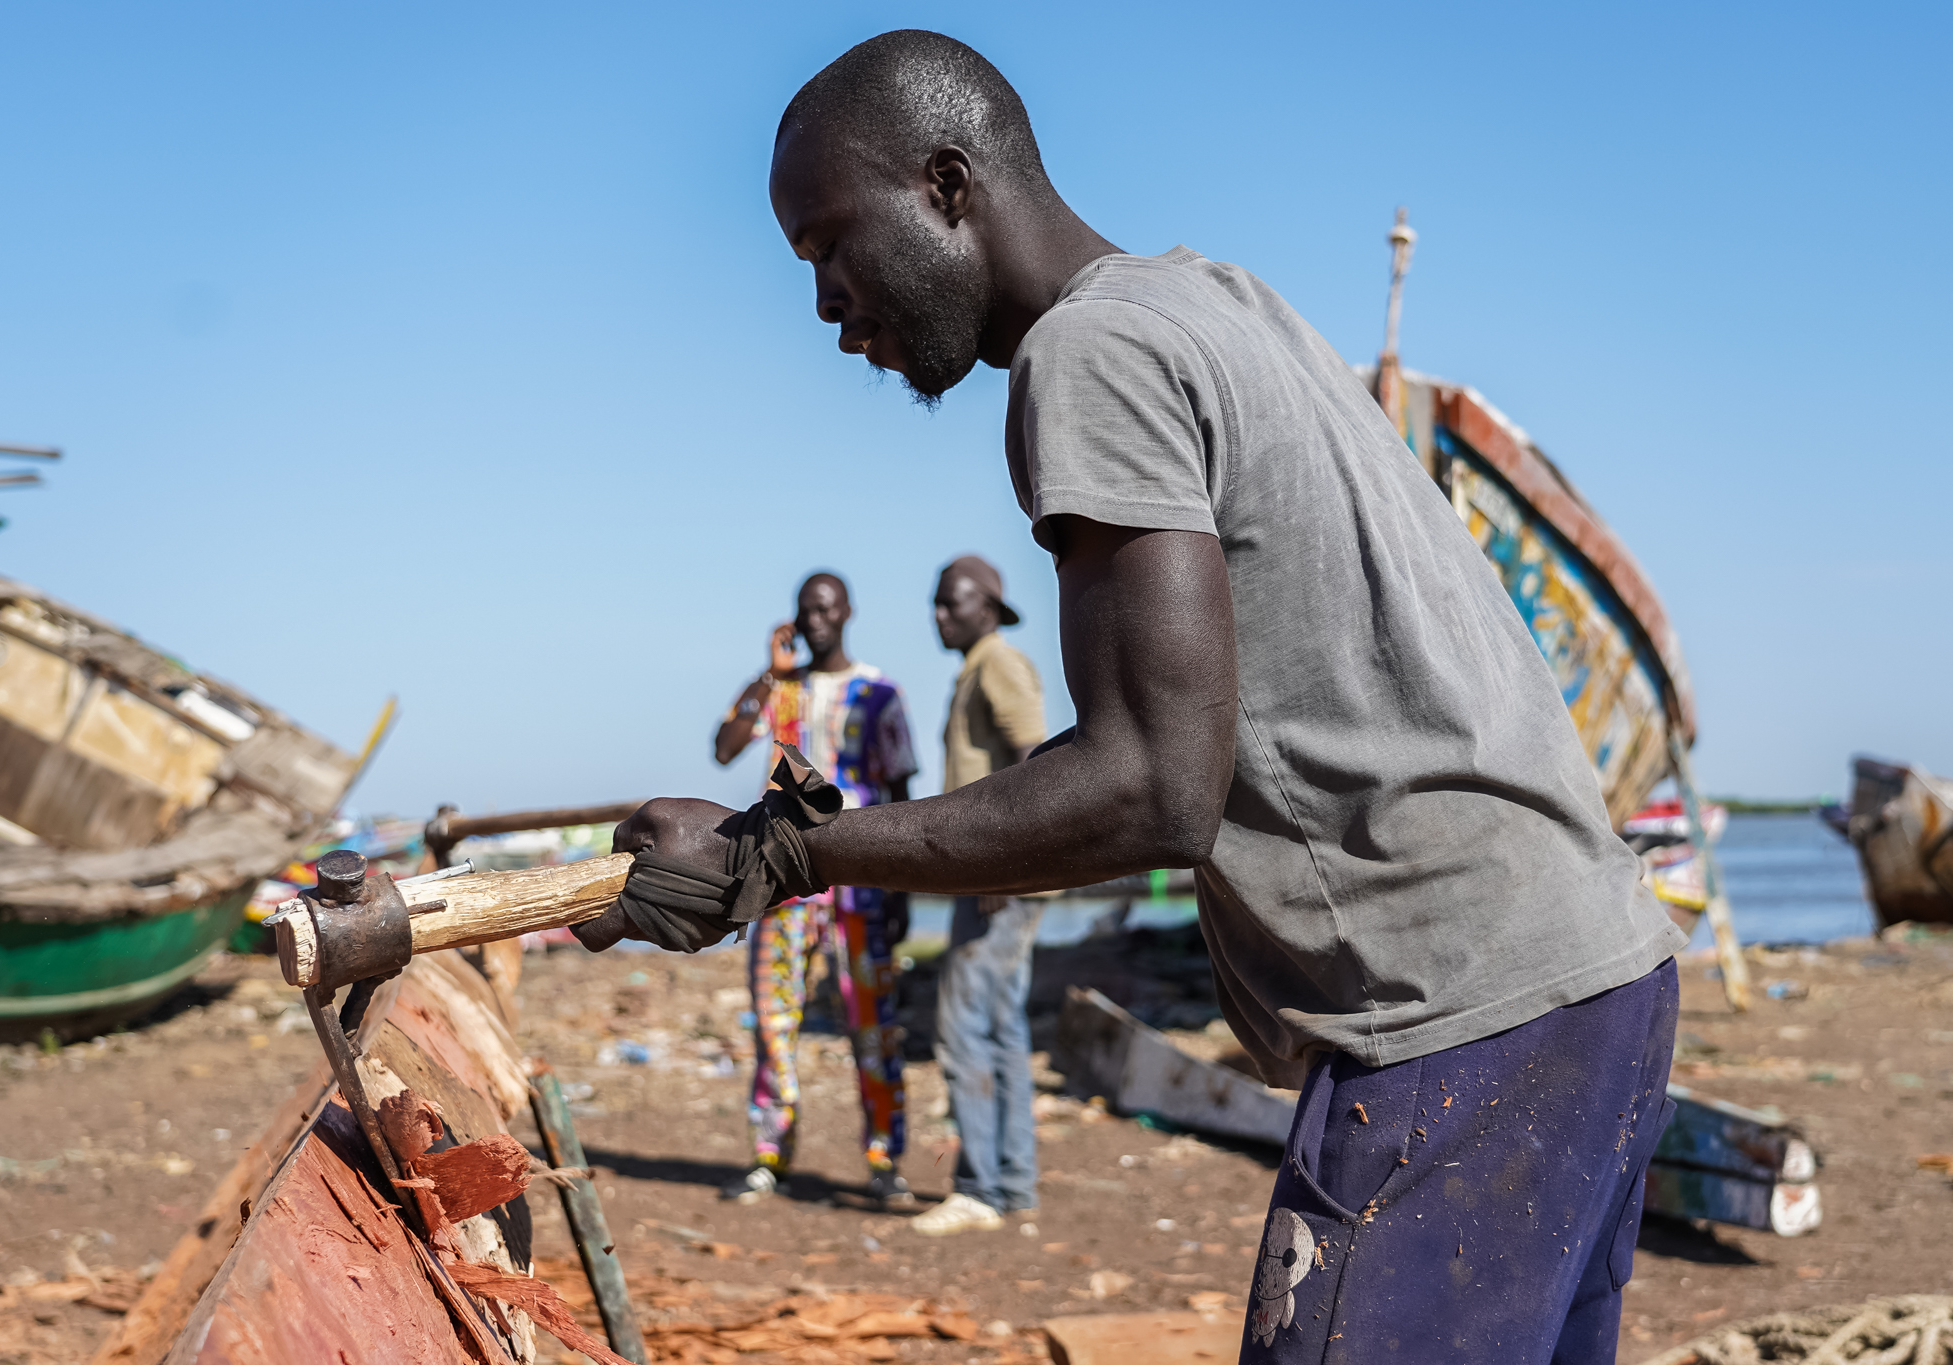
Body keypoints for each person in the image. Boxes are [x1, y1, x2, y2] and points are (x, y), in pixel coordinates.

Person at [601, 31, 1683, 1364]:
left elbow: (1148, 788)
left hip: (1454, 1019)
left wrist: (776, 850)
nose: (826, 304)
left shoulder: (1089, 356)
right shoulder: (1216, 297)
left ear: (946, 185)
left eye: (827, 245)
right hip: (1599, 976)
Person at [711, 572, 918, 1208]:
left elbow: (902, 791)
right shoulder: (782, 693)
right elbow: (724, 747)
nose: (817, 620)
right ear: (795, 622)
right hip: (783, 882)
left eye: (827, 609)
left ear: (848, 612)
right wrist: (769, 674)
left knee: (871, 1022)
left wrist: (904, 884)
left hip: (860, 884)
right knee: (775, 1022)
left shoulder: (879, 694)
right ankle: (771, 1153)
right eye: (806, 612)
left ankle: (885, 1160)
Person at [909, 555, 1048, 1236]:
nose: (939, 614)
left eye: (950, 603)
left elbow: (1033, 758)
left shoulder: (997, 663)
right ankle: (1010, 1184)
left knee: (964, 1028)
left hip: (999, 877)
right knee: (998, 1029)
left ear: (987, 606)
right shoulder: (979, 666)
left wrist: (1001, 866)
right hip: (1001, 875)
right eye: (935, 603)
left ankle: (981, 1187)